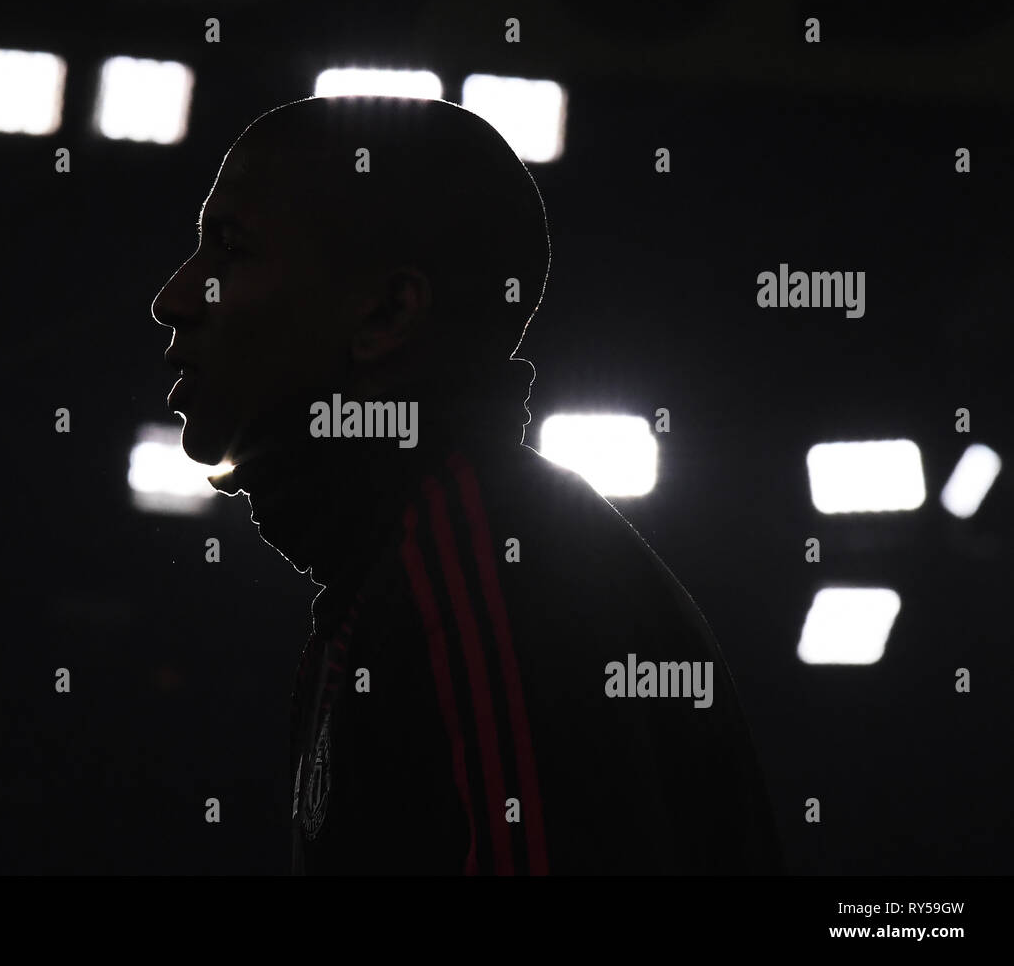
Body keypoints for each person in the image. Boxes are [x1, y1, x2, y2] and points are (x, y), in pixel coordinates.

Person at [150, 95, 783, 874]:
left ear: (385, 313)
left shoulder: (484, 576)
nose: (174, 297)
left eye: (230, 250)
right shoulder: (409, 568)